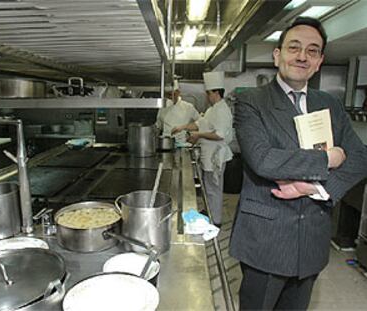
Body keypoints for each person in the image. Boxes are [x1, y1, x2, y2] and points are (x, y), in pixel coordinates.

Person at [229, 16, 367, 310]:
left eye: (312, 50)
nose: (302, 56)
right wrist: (328, 158)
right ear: (277, 55)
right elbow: (263, 159)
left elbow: (360, 157)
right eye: (294, 47)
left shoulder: (329, 104)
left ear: (319, 62)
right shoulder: (252, 101)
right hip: (265, 239)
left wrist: (315, 190)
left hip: (312, 242)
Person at [172, 72, 233, 227]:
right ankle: (209, 212)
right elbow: (200, 123)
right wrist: (183, 127)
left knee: (214, 189)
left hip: (216, 157)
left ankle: (216, 221)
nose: (207, 96)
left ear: (216, 92)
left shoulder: (222, 110)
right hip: (208, 157)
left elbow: (219, 135)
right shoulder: (212, 109)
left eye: (209, 93)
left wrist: (197, 135)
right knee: (209, 188)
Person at [155, 80, 200, 144]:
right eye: (168, 95)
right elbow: (158, 126)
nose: (170, 97)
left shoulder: (188, 107)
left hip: (183, 143)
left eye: (173, 94)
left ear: (178, 92)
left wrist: (191, 133)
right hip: (165, 143)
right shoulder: (163, 107)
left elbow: (200, 123)